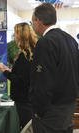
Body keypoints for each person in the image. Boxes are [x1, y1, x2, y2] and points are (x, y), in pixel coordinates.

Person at [30, 3, 79, 133]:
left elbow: (42, 81)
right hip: (68, 106)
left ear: (38, 20)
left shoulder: (46, 42)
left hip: (52, 111)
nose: (32, 26)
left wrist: (39, 111)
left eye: (32, 21)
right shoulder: (71, 40)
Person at [0, 22, 38, 129]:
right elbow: (23, 75)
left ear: (19, 36)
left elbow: (20, 81)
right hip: (28, 98)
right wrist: (6, 69)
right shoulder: (32, 52)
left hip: (23, 101)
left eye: (15, 33)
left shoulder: (25, 56)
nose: (14, 37)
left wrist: (4, 71)